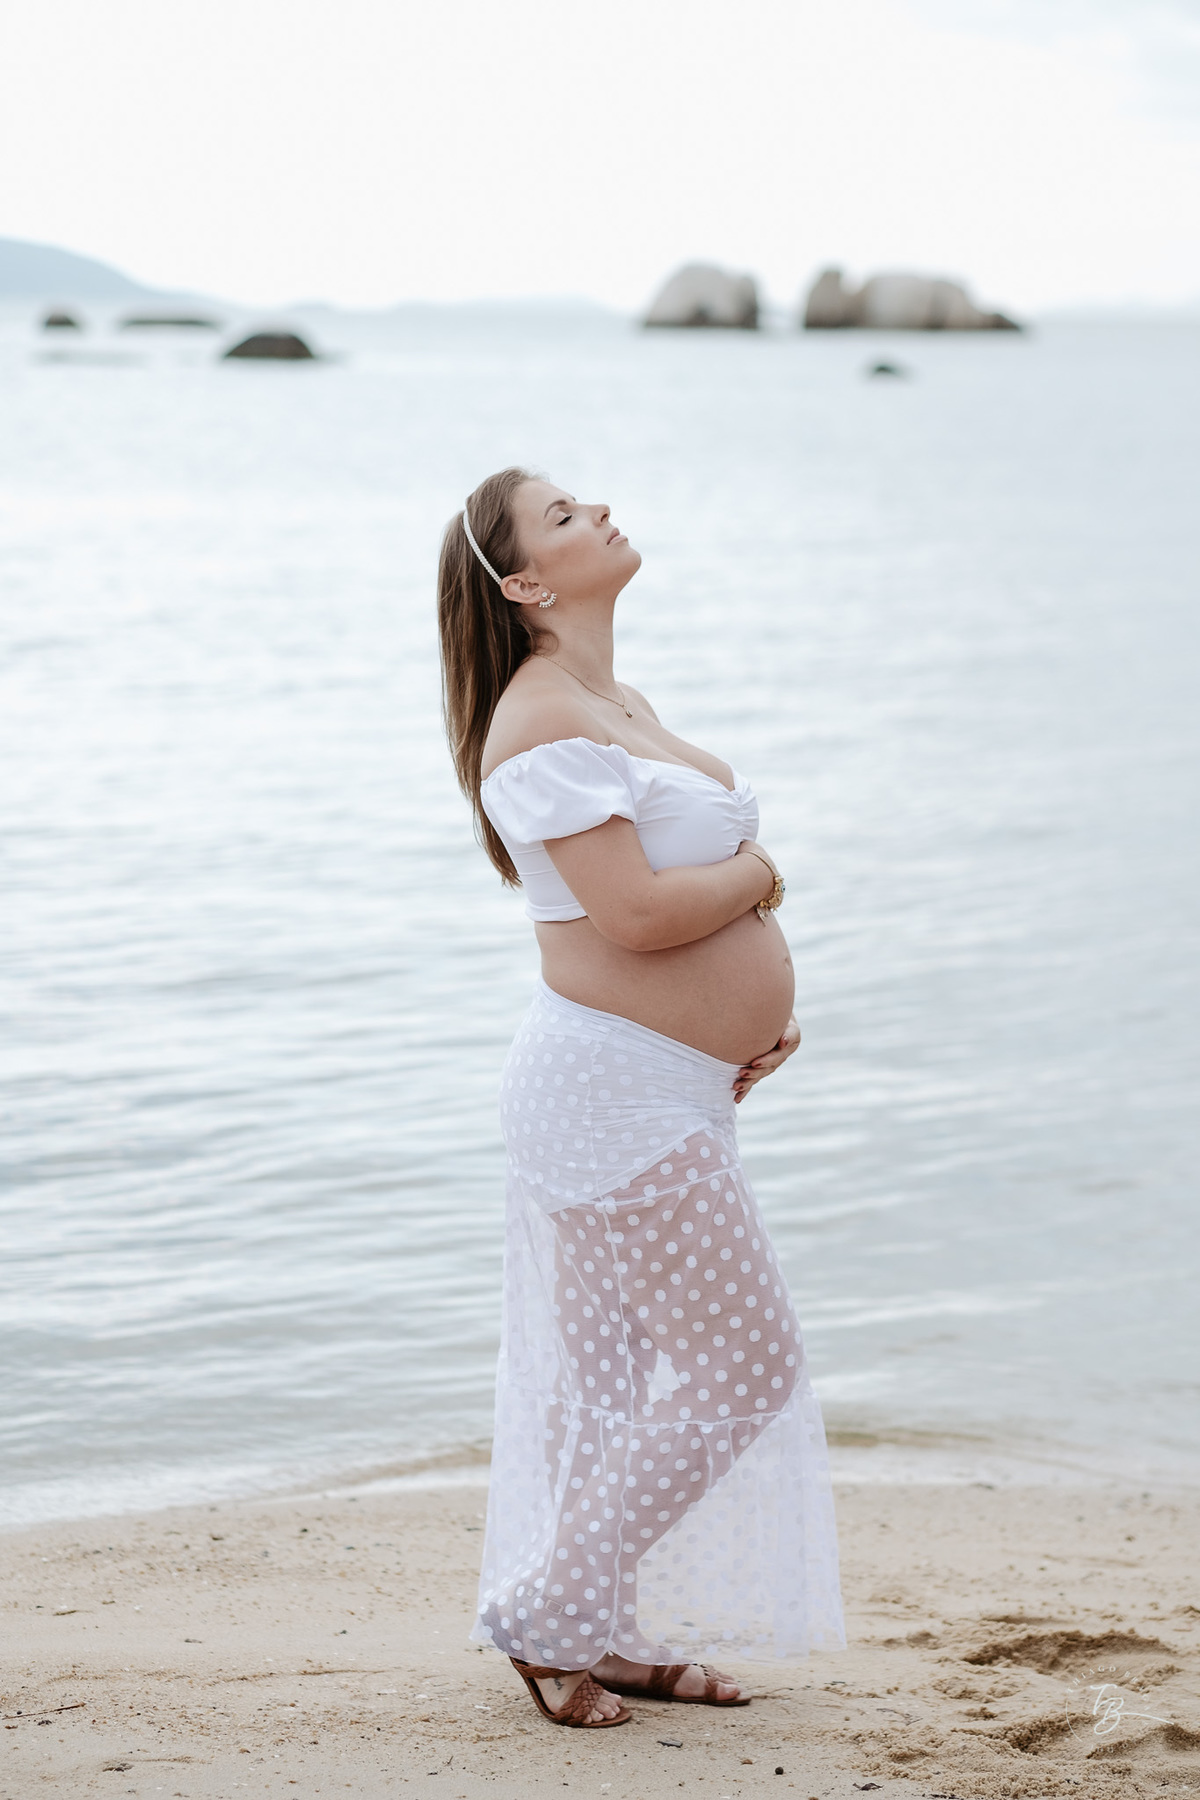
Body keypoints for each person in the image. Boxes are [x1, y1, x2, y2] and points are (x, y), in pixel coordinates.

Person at [437, 468, 844, 1730]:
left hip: (657, 1084)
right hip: (613, 1095)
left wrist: (752, 1018)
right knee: (746, 1369)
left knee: (609, 1385)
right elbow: (636, 916)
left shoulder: (616, 704)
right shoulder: (543, 723)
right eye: (563, 516)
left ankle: (598, 1629)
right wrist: (766, 875)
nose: (598, 509)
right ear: (524, 581)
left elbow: (659, 913)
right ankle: (547, 1611)